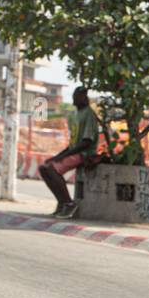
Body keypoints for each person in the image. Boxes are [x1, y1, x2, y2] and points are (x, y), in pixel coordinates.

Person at [38, 86, 98, 218]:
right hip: (74, 151)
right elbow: (72, 144)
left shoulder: (88, 114)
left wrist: (64, 156)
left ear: (84, 98)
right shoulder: (77, 115)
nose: (76, 99)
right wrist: (57, 156)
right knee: (44, 167)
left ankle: (69, 203)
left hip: (84, 153)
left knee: (51, 169)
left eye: (80, 96)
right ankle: (61, 202)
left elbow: (86, 142)